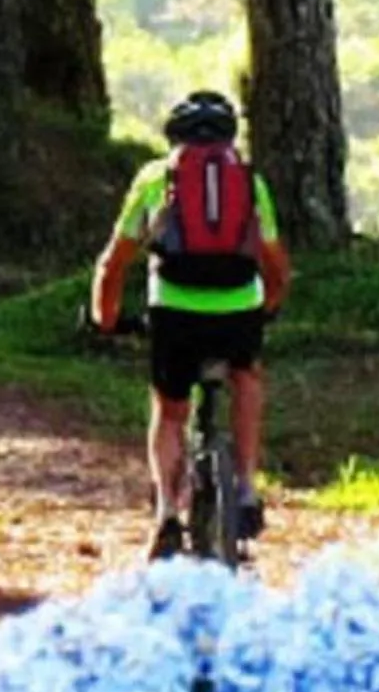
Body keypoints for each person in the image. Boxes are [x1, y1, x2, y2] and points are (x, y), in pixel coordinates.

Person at [88, 90, 292, 559]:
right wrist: (269, 305)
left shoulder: (155, 179)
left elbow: (114, 262)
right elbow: (276, 264)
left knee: (170, 408)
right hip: (238, 309)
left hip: (174, 313)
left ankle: (165, 513)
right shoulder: (249, 182)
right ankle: (244, 488)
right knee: (247, 376)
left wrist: (106, 318)